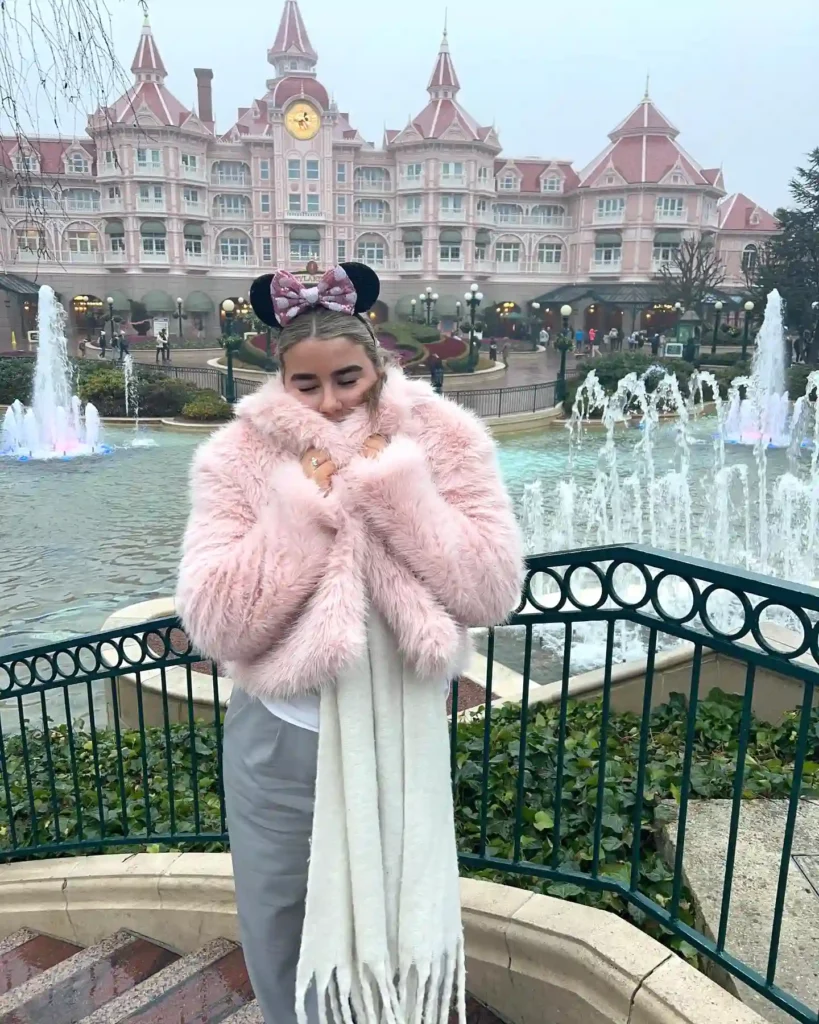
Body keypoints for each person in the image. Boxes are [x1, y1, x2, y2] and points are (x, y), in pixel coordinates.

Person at [176, 262, 524, 1024]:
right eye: (308, 385)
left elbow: (491, 590)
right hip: (283, 737)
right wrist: (302, 510)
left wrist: (399, 488)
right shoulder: (238, 456)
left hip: (402, 735)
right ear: (282, 381)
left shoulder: (442, 438)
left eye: (347, 378)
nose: (332, 400)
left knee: (401, 910)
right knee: (279, 920)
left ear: (378, 365)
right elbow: (216, 621)